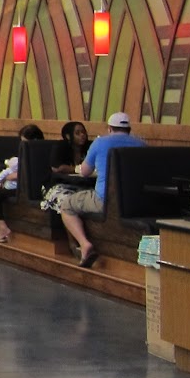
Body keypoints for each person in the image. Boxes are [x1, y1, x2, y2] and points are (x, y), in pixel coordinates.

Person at [59, 112, 147, 268]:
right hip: (135, 200)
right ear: (129, 129)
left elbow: (85, 171)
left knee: (66, 205)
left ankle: (84, 244)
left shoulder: (100, 143)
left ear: (109, 128)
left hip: (104, 200)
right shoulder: (141, 144)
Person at [0, 124, 45, 244]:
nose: (22, 144)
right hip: (28, 188)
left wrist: (6, 177)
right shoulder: (42, 151)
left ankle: (3, 228)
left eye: (24, 141)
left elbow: (24, 175)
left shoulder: (34, 153)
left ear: (34, 140)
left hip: (30, 189)